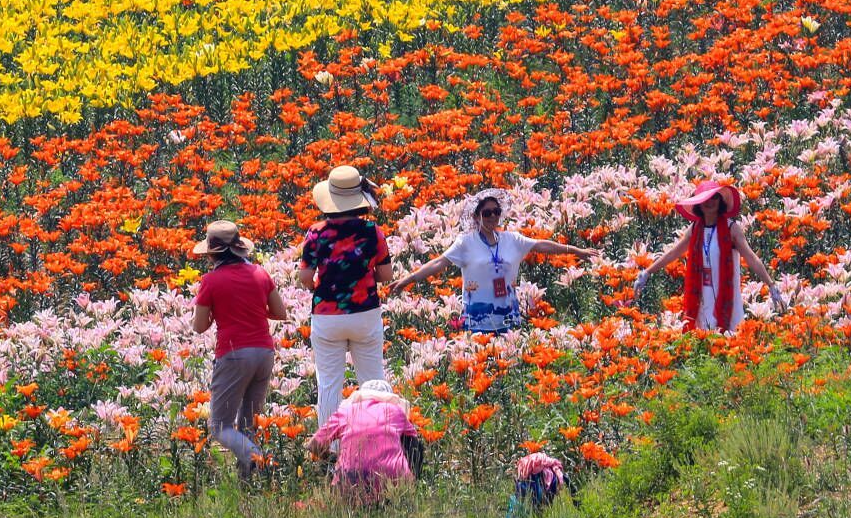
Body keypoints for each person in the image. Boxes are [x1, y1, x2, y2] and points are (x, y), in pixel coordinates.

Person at [390, 189, 600, 334]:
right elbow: (439, 263)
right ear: (476, 217)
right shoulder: (466, 242)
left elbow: (542, 245)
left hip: (508, 314)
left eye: (496, 212)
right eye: (487, 212)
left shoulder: (512, 240)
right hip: (477, 318)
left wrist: (576, 251)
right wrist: (407, 280)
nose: (492, 216)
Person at [299, 165, 393, 431]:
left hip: (327, 316)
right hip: (365, 313)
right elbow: (385, 274)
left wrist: (323, 285)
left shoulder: (316, 233)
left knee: (329, 384)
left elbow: (305, 276)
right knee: (372, 379)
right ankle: (379, 438)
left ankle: (331, 448)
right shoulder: (372, 231)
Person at [191, 220, 288, 478]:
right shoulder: (260, 273)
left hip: (233, 353)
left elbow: (199, 326)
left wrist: (218, 314)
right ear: (239, 248)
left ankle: (261, 461)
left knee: (220, 427)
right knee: (248, 425)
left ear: (212, 254)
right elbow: (280, 313)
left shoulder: (211, 281)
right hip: (264, 353)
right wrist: (252, 309)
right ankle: (249, 486)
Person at [633, 180, 787, 332]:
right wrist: (647, 272)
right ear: (699, 204)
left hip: (726, 295)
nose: (709, 202)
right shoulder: (694, 229)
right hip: (701, 294)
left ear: (720, 201)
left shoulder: (731, 229)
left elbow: (751, 257)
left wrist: (771, 285)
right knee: (703, 338)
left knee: (728, 340)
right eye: (704, 199)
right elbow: (674, 252)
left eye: (714, 197)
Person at [306, 379, 418, 505]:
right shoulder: (396, 411)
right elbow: (414, 446)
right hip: (395, 484)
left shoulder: (345, 412)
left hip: (348, 485)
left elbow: (313, 445)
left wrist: (332, 458)